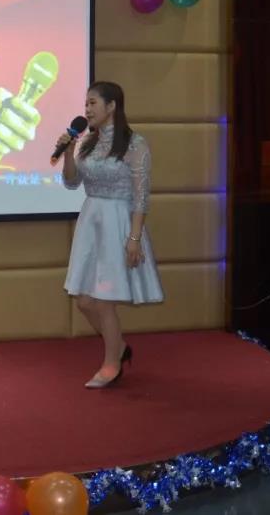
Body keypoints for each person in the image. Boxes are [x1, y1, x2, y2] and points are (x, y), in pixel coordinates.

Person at [58, 81, 163, 389]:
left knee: (104, 300)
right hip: (91, 220)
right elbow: (71, 182)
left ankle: (111, 364)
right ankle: (118, 346)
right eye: (86, 103)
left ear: (112, 106)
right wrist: (68, 152)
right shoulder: (88, 142)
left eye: (93, 103)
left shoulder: (134, 143)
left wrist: (134, 238)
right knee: (84, 300)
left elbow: (141, 196)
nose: (87, 109)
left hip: (118, 221)